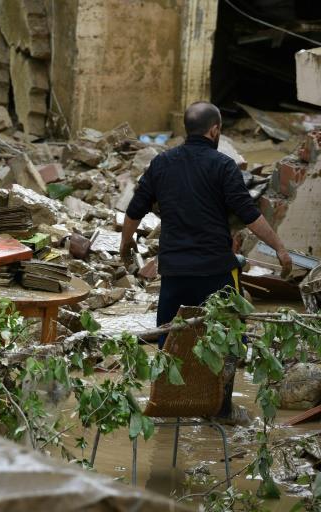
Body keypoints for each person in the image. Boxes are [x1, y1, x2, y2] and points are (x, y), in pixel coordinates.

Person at [119, 101, 292, 422]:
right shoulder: (223, 166)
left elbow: (134, 209)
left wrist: (125, 243)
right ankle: (221, 409)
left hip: (174, 271)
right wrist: (280, 248)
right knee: (228, 336)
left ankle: (166, 408)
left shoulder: (162, 164)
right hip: (216, 271)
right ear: (214, 131)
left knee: (169, 337)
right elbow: (249, 215)